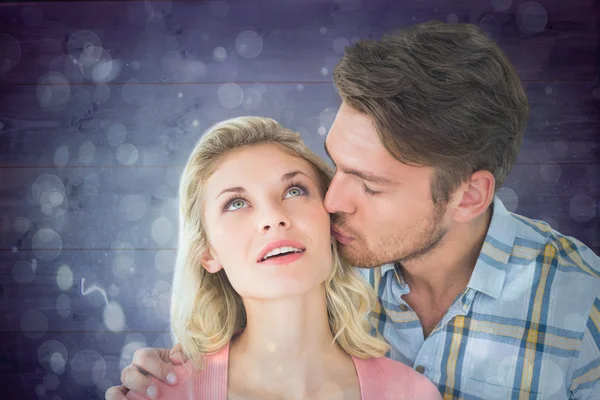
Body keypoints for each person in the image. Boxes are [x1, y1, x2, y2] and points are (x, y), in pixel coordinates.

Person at [107, 21, 600, 400]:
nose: (332, 200)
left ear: (467, 196)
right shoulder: (326, 254)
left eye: (369, 185)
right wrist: (173, 373)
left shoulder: (583, 307)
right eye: (336, 164)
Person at [118, 116, 442, 399]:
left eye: (294, 191)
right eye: (235, 203)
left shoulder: (412, 393)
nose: (273, 218)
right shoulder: (160, 394)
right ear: (207, 252)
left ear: (330, 221)